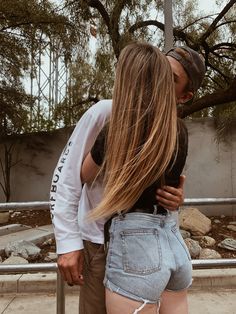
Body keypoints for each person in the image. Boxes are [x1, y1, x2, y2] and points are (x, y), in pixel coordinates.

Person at [50, 44, 205, 314]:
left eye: (171, 78)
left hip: (144, 245)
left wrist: (175, 199)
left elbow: (159, 189)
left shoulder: (170, 128)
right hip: (99, 242)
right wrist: (68, 242)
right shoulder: (105, 112)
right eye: (158, 68)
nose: (157, 78)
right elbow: (67, 179)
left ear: (185, 96)